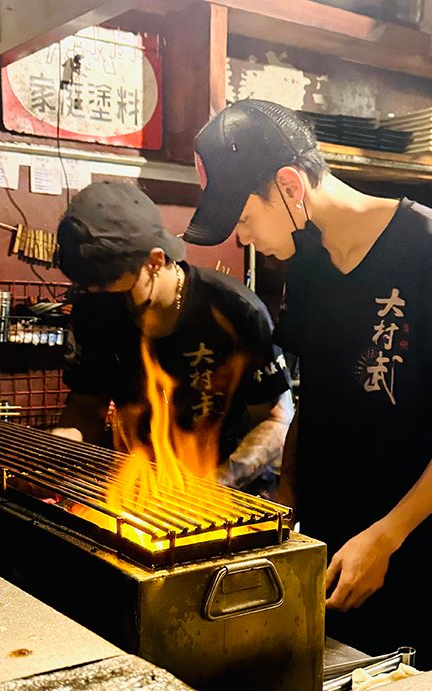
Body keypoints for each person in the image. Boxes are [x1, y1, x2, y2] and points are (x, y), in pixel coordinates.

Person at [183, 100, 432, 669]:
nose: (242, 235)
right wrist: (285, 508)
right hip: (336, 541)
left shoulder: (430, 246)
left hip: (417, 546)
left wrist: (386, 537)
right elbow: (318, 395)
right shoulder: (307, 261)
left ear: (288, 185)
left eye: (243, 216)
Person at [53, 180, 293, 491]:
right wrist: (56, 451)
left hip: (231, 492)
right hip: (141, 491)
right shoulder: (95, 310)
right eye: (92, 288)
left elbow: (275, 421)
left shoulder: (235, 310)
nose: (106, 300)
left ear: (155, 260)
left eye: (117, 288)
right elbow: (86, 408)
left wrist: (212, 485)